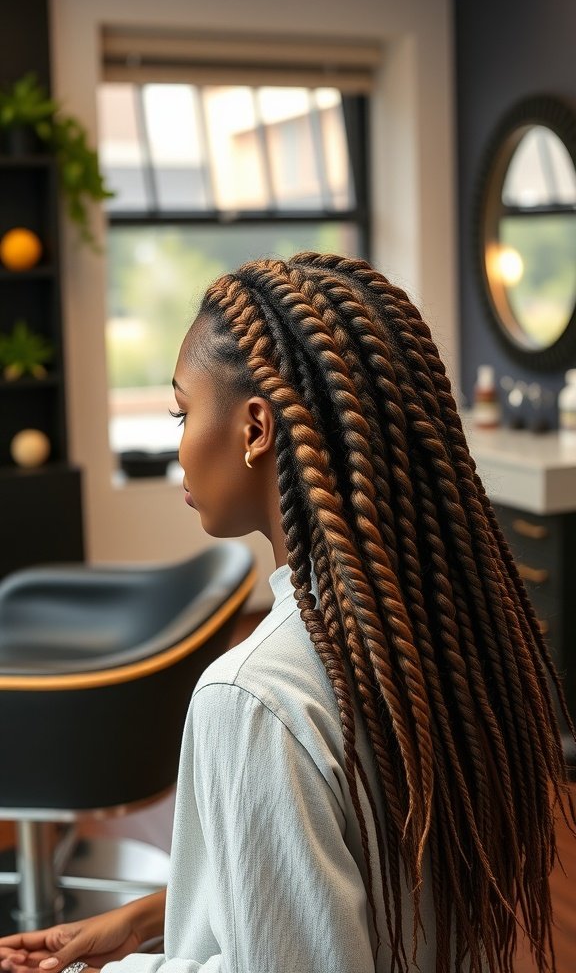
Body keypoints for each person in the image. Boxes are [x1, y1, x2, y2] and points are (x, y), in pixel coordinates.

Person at [0, 252, 574, 973]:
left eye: (182, 412)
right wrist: (160, 915)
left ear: (255, 429)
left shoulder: (254, 700)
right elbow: (363, 878)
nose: (179, 446)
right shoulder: (442, 644)